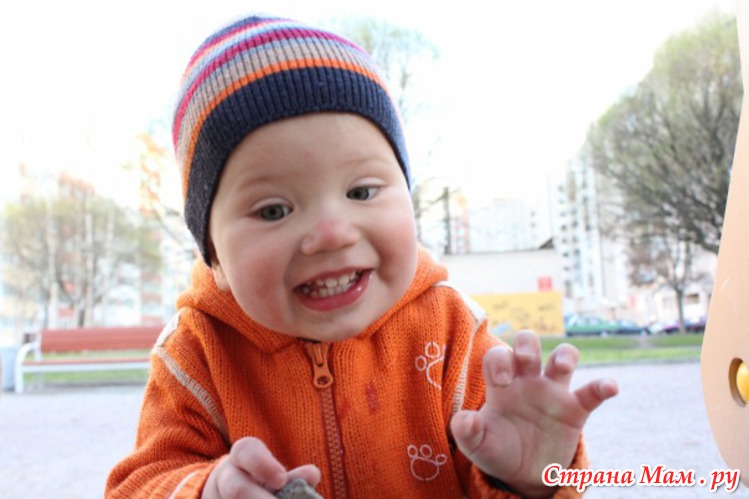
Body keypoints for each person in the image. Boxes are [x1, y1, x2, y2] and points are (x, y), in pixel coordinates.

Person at [106, 14, 618, 499]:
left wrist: (528, 477)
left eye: (362, 192)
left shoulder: (451, 332)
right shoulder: (197, 352)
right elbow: (140, 483)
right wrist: (207, 489)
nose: (331, 233)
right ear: (213, 255)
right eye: (274, 210)